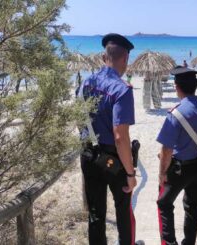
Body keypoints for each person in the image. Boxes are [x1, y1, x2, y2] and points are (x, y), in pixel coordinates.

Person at [79, 33, 140, 245]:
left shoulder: (86, 82)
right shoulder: (122, 90)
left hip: (89, 154)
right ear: (124, 59)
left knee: (96, 213)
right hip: (112, 160)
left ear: (105, 57)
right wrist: (131, 173)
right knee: (123, 211)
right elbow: (120, 137)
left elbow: (79, 117)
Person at [156, 66, 197, 245]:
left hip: (180, 169)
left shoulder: (175, 113)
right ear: (195, 86)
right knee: (193, 206)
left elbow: (166, 150)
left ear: (177, 87)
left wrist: (162, 173)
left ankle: (170, 243)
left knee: (164, 203)